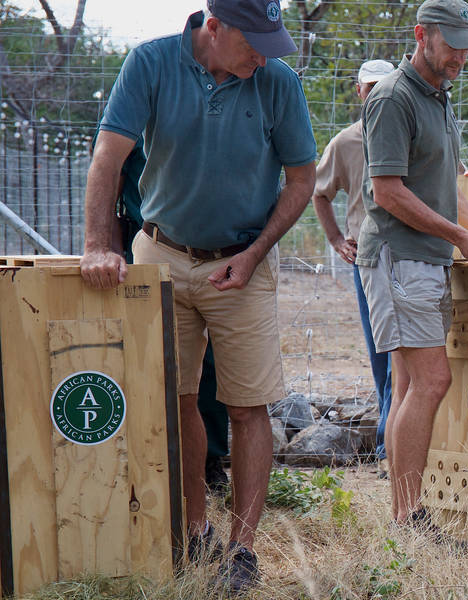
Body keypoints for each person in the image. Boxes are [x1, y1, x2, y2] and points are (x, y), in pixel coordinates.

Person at [80, 0, 316, 594]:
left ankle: (243, 550)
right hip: (161, 252)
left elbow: (303, 179)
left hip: (242, 260)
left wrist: (256, 252)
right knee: (176, 399)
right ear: (214, 28)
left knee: (248, 406)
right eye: (253, 42)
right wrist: (97, 245)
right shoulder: (151, 63)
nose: (264, 54)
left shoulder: (277, 82)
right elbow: (108, 156)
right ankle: (193, 531)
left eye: (272, 40)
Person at [356, 0, 468, 525]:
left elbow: (441, 189)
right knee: (432, 382)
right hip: (400, 258)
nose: (462, 55)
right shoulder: (393, 98)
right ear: (422, 36)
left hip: (424, 258)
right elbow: (388, 193)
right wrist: (460, 236)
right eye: (453, 44)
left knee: (411, 385)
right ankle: (410, 515)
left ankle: (404, 518)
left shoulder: (437, 96)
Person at [91, 131, 231, 496]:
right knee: (152, 355)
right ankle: (151, 457)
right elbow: (110, 187)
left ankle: (210, 460)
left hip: (212, 249)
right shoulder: (128, 118)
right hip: (148, 244)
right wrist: (111, 250)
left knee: (210, 360)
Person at [312, 59, 396, 476]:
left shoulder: (409, 130)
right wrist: (335, 240)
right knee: (383, 352)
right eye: (371, 86)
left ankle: (392, 445)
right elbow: (319, 192)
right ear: (360, 91)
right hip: (368, 257)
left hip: (413, 252)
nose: (378, 92)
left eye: (386, 85)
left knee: (409, 354)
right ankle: (387, 447)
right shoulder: (346, 143)